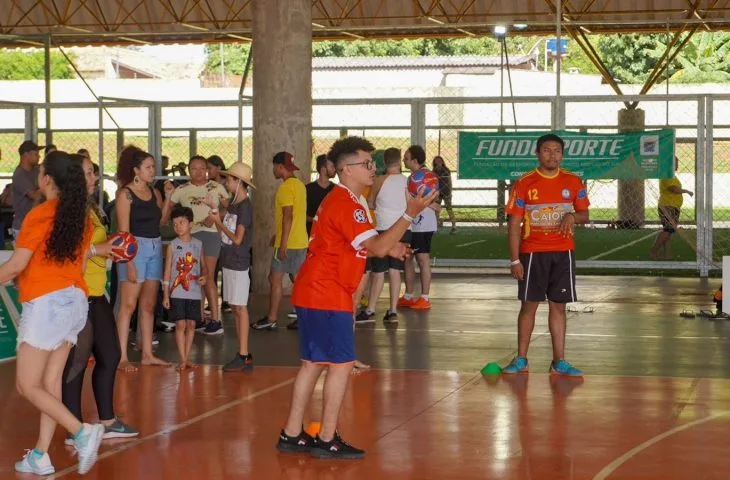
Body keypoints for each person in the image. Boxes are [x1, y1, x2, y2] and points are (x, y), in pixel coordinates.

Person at [276, 136, 437, 459]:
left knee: (312, 363)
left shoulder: (345, 200)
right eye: (365, 163)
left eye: (372, 163)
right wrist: (409, 214)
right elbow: (374, 247)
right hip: (327, 292)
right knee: (340, 363)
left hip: (314, 289)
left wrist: (391, 245)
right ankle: (326, 436)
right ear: (345, 170)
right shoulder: (348, 203)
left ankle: (292, 433)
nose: (371, 168)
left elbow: (361, 242)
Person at [0, 150, 106, 475]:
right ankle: (41, 455)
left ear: (48, 179)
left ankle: (82, 431)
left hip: (48, 306)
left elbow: (17, 264)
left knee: (27, 385)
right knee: (49, 382)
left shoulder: (40, 215)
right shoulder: (81, 217)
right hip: (74, 304)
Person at [61, 154, 139, 448]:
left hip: (96, 295)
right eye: (90, 173)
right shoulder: (69, 213)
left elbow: (98, 247)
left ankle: (107, 421)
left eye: (94, 172)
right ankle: (73, 428)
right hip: (77, 296)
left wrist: (116, 247)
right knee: (76, 363)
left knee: (110, 354)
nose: (95, 178)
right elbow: (71, 257)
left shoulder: (91, 209)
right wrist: (100, 249)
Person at [502, 133, 590, 377]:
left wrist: (572, 216)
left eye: (557, 151)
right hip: (532, 254)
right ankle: (522, 359)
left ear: (562, 154)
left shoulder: (573, 181)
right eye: (547, 150)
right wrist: (515, 259)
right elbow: (514, 225)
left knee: (558, 307)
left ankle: (559, 361)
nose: (552, 155)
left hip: (563, 253)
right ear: (537, 154)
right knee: (529, 306)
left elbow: (584, 215)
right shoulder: (525, 183)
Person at [115, 145, 169, 372]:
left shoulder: (154, 193)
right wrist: (129, 264)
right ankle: (121, 358)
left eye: (153, 167)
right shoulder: (125, 194)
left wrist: (169, 198)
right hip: (134, 250)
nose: (152, 171)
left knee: (148, 305)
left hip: (155, 247)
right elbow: (124, 233)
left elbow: (162, 222)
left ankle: (147, 354)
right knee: (128, 306)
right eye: (148, 167)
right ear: (136, 170)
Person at [162, 155, 229, 335]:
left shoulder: (216, 187)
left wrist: (214, 216)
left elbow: (228, 209)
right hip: (188, 238)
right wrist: (167, 195)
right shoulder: (182, 189)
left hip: (210, 234)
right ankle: (197, 317)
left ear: (207, 169)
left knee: (207, 276)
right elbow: (168, 209)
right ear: (189, 170)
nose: (198, 172)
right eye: (194, 168)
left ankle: (215, 320)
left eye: (202, 168)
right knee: (192, 277)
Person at [206, 162, 255, 372]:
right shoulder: (235, 205)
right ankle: (242, 353)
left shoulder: (244, 207)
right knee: (235, 307)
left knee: (240, 308)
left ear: (239, 182)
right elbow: (227, 236)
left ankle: (244, 354)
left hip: (238, 261)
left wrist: (218, 222)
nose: (226, 182)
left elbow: (237, 239)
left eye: (230, 179)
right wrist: (216, 213)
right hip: (230, 260)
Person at [253, 151, 308, 331]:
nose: (273, 170)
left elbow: (288, 216)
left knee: (274, 279)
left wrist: (282, 243)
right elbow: (297, 216)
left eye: (274, 167)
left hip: (288, 244)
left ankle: (272, 318)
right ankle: (304, 317)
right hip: (300, 242)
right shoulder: (299, 185)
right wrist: (278, 236)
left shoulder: (285, 188)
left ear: (280, 167)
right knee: (298, 281)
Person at [357, 147, 408, 325]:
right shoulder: (407, 182)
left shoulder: (379, 180)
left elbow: (370, 203)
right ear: (400, 161)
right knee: (395, 271)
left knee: (378, 272)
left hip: (382, 229)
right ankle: (393, 310)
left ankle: (370, 309)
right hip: (402, 229)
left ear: (384, 162)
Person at [162, 206, 207, 371]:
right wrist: (166, 295)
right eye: (175, 224)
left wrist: (205, 276)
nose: (178, 226)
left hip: (194, 291)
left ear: (191, 224)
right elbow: (167, 271)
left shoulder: (198, 244)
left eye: (181, 222)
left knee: (191, 325)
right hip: (177, 291)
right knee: (180, 325)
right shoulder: (172, 245)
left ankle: (187, 357)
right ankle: (182, 359)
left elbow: (204, 267)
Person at [398, 145, 440, 311]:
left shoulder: (427, 177)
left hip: (424, 224)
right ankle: (408, 295)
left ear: (415, 160)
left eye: (406, 158)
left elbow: (434, 199)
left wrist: (431, 204)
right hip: (412, 223)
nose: (403, 160)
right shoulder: (413, 178)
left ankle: (425, 297)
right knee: (408, 258)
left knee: (422, 260)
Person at [650, 156, 693, 260]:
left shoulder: (671, 175)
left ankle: (667, 254)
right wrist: (686, 191)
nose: (677, 165)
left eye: (678, 162)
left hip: (672, 207)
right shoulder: (667, 175)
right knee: (668, 230)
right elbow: (673, 189)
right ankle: (654, 251)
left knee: (669, 231)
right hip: (668, 206)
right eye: (675, 162)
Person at [11, 140, 43, 244]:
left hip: (35, 223)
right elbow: (35, 196)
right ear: (26, 155)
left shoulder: (35, 171)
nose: (39, 157)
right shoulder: (19, 175)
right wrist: (47, 186)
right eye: (36, 154)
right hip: (22, 227)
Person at [305, 154, 336, 235]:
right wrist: (315, 219)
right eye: (332, 166)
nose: (335, 169)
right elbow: (300, 216)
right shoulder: (307, 189)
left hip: (331, 237)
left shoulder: (336, 190)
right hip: (311, 237)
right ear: (323, 169)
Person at [432, 155, 456, 233]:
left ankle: (454, 226)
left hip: (446, 192)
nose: (438, 162)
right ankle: (436, 226)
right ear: (434, 162)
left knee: (449, 208)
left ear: (442, 162)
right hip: (438, 193)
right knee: (436, 210)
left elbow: (449, 182)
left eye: (440, 161)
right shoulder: (433, 171)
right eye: (437, 161)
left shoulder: (446, 170)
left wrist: (450, 192)